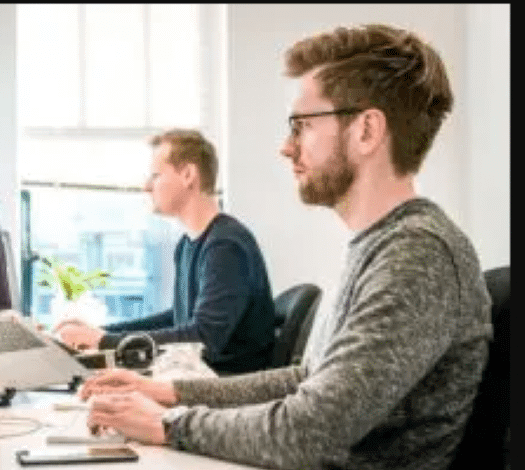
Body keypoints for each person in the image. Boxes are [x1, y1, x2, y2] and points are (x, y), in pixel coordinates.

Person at [76, 23, 493, 470]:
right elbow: (307, 380)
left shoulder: (417, 254)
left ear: (367, 131)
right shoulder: (380, 245)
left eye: (302, 126)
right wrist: (167, 393)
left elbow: (307, 430)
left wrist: (170, 423)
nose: (286, 147)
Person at [54, 129, 277, 375]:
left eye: (156, 176)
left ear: (188, 175)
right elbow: (178, 319)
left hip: (224, 387)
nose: (146, 187)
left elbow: (202, 339)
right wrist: (103, 333)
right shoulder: (188, 244)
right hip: (197, 377)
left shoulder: (225, 246)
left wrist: (104, 342)